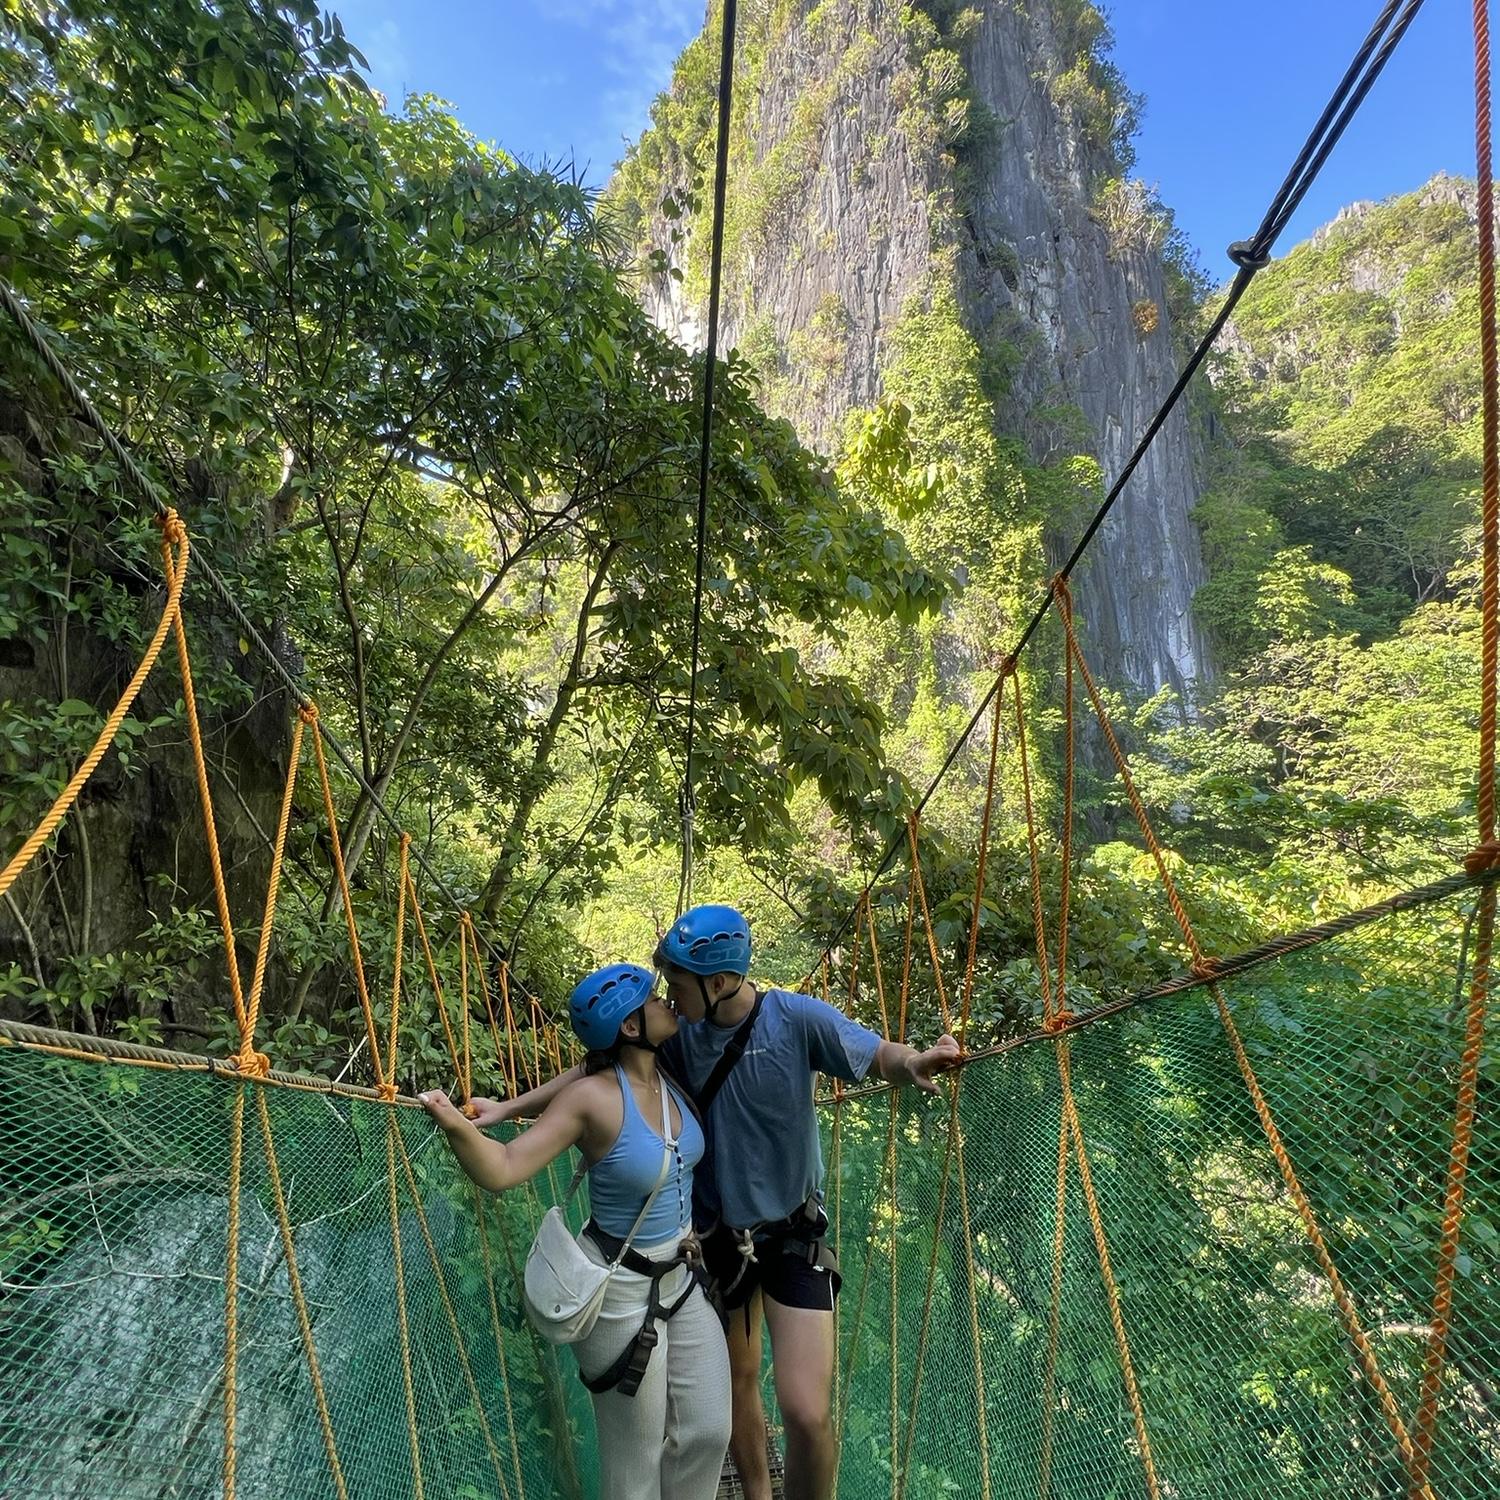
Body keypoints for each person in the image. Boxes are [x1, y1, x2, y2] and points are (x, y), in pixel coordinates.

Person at [471, 905, 961, 1500]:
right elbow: (591, 1077)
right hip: (714, 1240)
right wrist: (506, 1108)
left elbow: (875, 1053)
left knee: (806, 1412)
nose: (669, 998)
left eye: (676, 984)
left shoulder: (795, 1018)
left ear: (719, 983)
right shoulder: (676, 1039)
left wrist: (914, 1061)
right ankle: (757, 1493)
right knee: (738, 1379)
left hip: (791, 1231)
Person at [420, 962, 731, 1500]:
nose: (666, 1003)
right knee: (634, 1468)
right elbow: (505, 1167)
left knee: (708, 1430)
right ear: (631, 1029)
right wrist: (455, 1123)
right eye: (653, 1000)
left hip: (683, 1279)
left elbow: (582, 1066)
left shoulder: (668, 1071)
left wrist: (511, 1105)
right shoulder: (592, 1099)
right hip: (619, 1293)